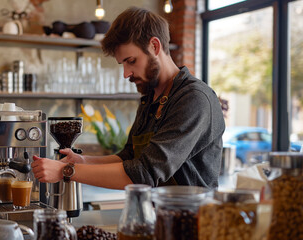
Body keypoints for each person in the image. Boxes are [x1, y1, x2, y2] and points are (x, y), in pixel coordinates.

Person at [31, 7, 225, 189]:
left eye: (131, 61)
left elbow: (146, 172)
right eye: (122, 64)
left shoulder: (193, 99)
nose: (126, 73)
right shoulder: (151, 98)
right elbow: (129, 157)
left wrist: (66, 171)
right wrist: (83, 161)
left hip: (193, 221)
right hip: (157, 218)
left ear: (155, 46)